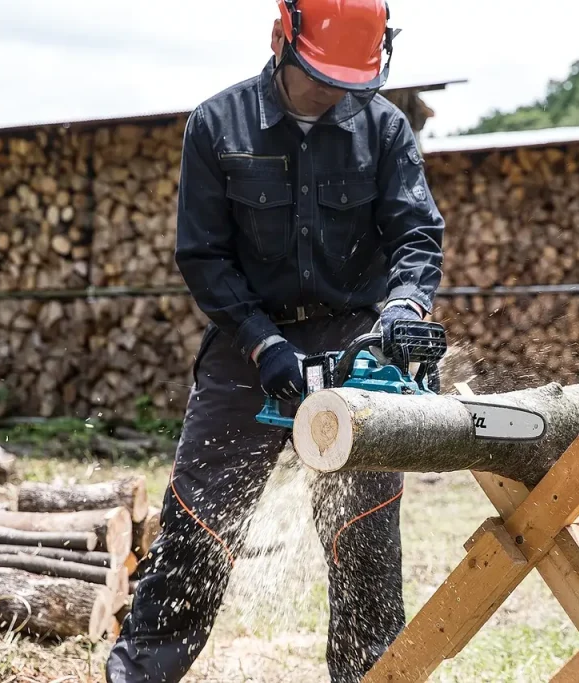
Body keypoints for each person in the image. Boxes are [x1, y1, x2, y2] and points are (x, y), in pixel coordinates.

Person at [105, 1, 446, 681]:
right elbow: (203, 256)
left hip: (356, 336)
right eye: (323, 76)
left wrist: (403, 310)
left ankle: (369, 674)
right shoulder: (217, 125)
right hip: (247, 340)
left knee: (366, 538)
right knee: (197, 526)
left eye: (349, 80)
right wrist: (263, 344)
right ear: (279, 39)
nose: (334, 92)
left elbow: (416, 234)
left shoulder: (384, 129)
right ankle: (140, 670)